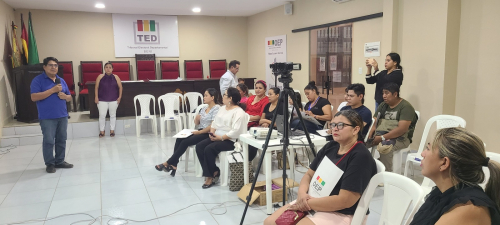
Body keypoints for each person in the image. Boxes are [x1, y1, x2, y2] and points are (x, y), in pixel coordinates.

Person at [264, 110, 376, 225]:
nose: (335, 129)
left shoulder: (360, 156)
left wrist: (306, 204)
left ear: (356, 129)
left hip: (342, 211)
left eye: (341, 125)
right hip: (313, 200)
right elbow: (309, 174)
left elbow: (345, 200)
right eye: (333, 125)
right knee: (270, 222)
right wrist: (302, 194)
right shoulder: (331, 146)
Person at [410, 127, 500, 225]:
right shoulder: (441, 193)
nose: (423, 154)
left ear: (444, 163)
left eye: (428, 148)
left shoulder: (467, 208)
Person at [155, 88, 220, 177]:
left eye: (206, 95)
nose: (204, 97)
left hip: (207, 133)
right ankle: (174, 164)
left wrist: (199, 132)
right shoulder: (204, 108)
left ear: (212, 97)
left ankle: (168, 162)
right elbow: (197, 123)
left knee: (186, 142)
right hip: (200, 130)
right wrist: (197, 119)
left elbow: (212, 126)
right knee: (180, 138)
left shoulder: (216, 108)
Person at [195, 87, 249, 189]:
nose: (222, 96)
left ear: (230, 98)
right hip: (217, 136)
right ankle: (214, 170)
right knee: (199, 146)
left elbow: (236, 131)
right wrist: (212, 133)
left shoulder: (239, 112)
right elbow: (214, 123)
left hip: (231, 140)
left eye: (224, 95)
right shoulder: (222, 108)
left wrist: (221, 138)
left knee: (209, 149)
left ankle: (209, 177)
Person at [30, 57, 73, 173]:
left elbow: (69, 97)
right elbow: (33, 97)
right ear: (44, 67)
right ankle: (50, 163)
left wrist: (66, 97)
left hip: (62, 115)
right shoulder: (38, 80)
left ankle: (60, 161)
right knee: (49, 140)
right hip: (47, 117)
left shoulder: (61, 80)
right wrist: (52, 90)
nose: (54, 67)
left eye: (55, 65)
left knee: (61, 139)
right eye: (51, 65)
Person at [368, 82, 417, 172]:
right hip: (381, 133)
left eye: (387, 93)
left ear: (395, 94)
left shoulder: (406, 107)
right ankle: (368, 171)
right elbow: (375, 121)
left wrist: (382, 138)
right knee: (361, 143)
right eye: (383, 93)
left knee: (385, 147)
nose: (384, 96)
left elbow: (402, 129)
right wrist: (370, 133)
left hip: (401, 138)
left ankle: (385, 175)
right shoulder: (383, 105)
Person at [95, 62, 123, 137]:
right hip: (101, 100)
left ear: (112, 69)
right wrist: (96, 97)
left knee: (113, 115)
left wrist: (119, 97)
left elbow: (120, 87)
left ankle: (112, 131)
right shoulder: (100, 77)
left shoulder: (116, 77)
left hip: (113, 99)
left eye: (110, 67)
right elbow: (96, 88)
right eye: (106, 67)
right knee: (102, 115)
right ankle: (102, 131)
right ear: (104, 69)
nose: (108, 69)